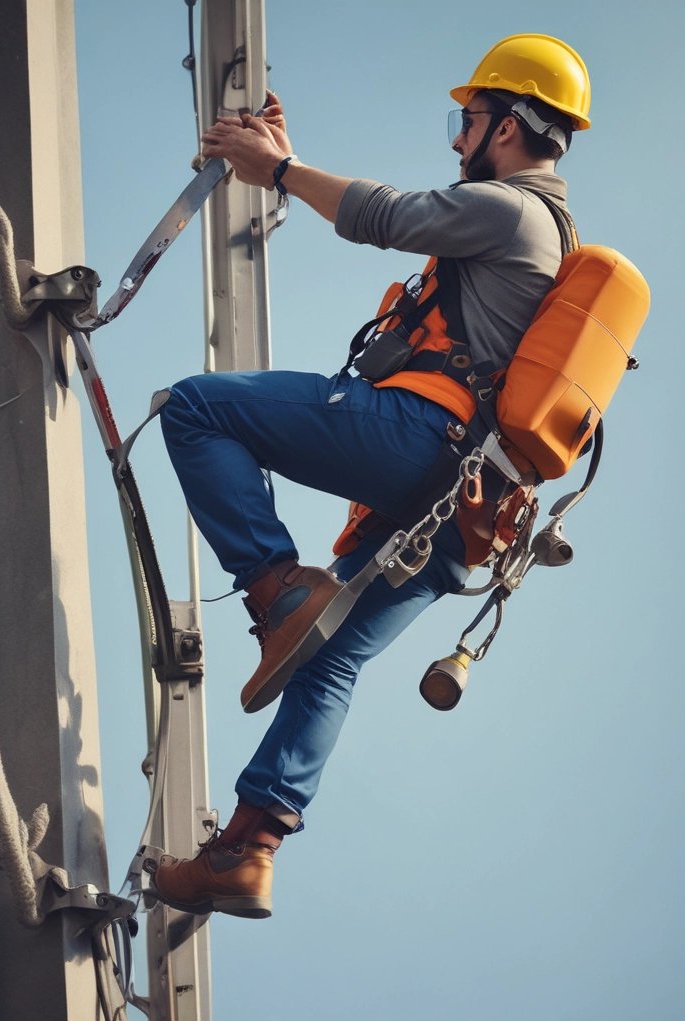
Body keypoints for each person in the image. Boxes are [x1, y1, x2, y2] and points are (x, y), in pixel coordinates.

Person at [150, 34, 592, 918]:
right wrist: (287, 160)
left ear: (508, 125)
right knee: (328, 660)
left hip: (422, 442)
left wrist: (280, 172)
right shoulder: (539, 230)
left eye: (467, 121)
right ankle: (250, 848)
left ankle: (278, 590)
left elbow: (384, 215)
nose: (456, 139)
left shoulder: (512, 211)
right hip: (467, 510)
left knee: (197, 407)